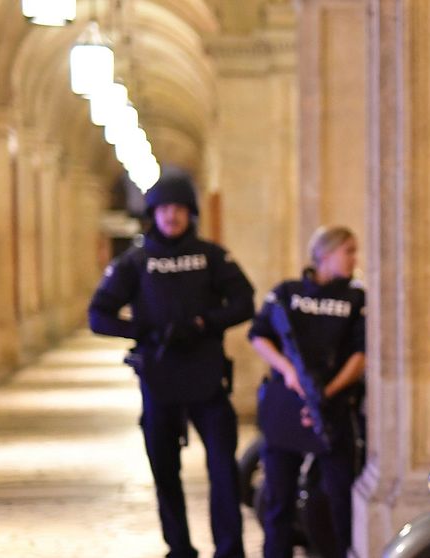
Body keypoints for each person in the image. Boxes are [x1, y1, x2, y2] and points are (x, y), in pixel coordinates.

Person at [88, 169, 254, 558]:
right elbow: (99, 315)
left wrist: (204, 323)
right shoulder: (137, 261)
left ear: (191, 213)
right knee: (165, 472)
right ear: (153, 213)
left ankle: (229, 550)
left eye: (179, 208)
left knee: (223, 471)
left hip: (207, 379)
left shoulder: (212, 257)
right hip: (159, 378)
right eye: (164, 209)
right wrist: (144, 330)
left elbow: (244, 301)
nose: (172, 216)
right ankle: (179, 547)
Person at [248, 226, 366, 558]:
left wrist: (327, 391)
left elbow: (361, 355)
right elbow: (259, 335)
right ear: (325, 254)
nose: (354, 259)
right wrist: (288, 371)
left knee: (337, 496)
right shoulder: (288, 292)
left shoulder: (356, 297)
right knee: (278, 499)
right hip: (286, 405)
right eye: (349, 251)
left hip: (333, 407)